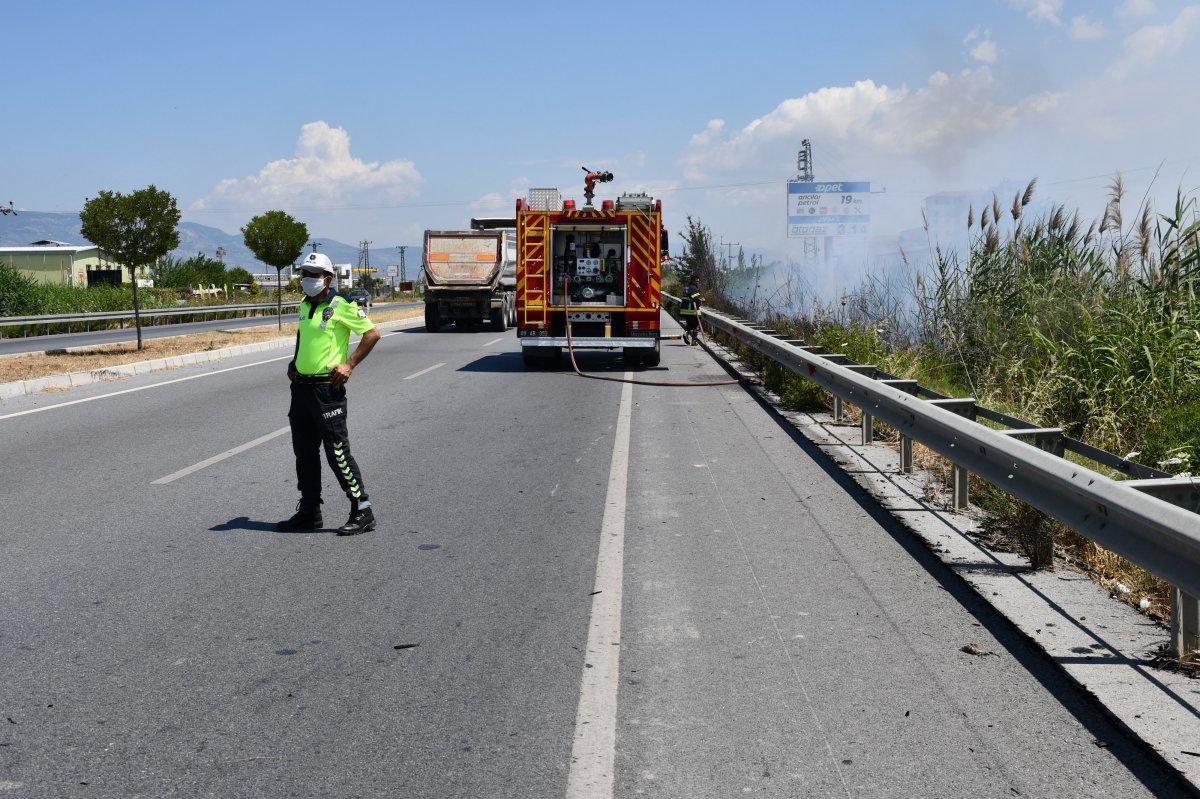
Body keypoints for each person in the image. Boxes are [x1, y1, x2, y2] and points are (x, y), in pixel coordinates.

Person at [278, 252, 382, 535]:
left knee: (337, 452)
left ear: (327, 278)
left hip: (327, 389)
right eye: (304, 274)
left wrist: (349, 364)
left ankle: (362, 509)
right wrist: (295, 361)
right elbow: (304, 335)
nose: (307, 279)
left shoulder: (342, 305)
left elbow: (372, 334)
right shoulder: (303, 304)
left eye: (313, 275)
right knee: (304, 453)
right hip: (301, 388)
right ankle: (310, 511)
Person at [679, 281, 703, 345]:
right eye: (697, 281)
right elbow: (694, 298)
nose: (698, 282)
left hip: (685, 311)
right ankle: (694, 341)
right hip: (693, 311)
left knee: (690, 325)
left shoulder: (686, 288)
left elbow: (688, 297)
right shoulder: (694, 289)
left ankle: (686, 333)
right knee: (696, 325)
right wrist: (701, 300)